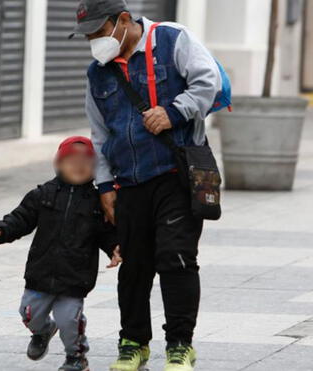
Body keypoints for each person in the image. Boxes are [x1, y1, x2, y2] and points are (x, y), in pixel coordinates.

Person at [69, 1, 222, 370]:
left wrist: (174, 111)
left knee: (176, 257)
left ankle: (180, 345)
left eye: (98, 32)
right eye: (88, 36)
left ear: (123, 20)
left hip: (176, 175)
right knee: (133, 265)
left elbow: (208, 82)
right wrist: (105, 186)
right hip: (129, 182)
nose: (94, 41)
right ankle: (133, 343)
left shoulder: (171, 40)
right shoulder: (98, 73)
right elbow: (100, 135)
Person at [0, 136, 120, 371]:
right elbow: (21, 218)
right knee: (29, 314)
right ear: (58, 164)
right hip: (41, 273)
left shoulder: (97, 202)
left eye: (86, 163)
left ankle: (76, 357)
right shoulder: (42, 194)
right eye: (71, 161)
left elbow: (106, 233)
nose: (79, 167)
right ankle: (43, 330)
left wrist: (115, 249)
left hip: (75, 276)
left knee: (69, 321)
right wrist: (1, 231)